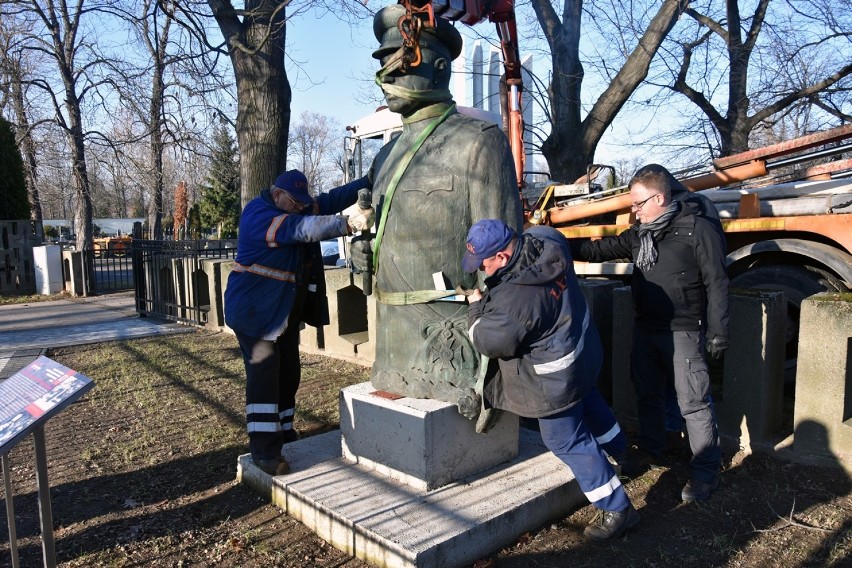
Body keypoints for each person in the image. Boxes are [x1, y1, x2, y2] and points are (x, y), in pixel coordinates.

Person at [351, 3, 523, 423]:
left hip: (450, 348)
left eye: (398, 64)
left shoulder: (478, 142)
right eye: (383, 66)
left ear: (439, 67)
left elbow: (504, 260)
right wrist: (366, 251)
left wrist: (493, 362)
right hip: (394, 345)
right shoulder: (386, 155)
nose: (387, 77)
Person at [462, 219, 640, 541]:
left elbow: (490, 341)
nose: (482, 271)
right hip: (582, 351)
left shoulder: (517, 299)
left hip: (553, 379)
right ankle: (623, 454)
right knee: (587, 399)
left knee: (564, 439)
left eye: (484, 264)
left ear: (502, 257)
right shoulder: (548, 240)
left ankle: (617, 508)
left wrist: (475, 309)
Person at [571, 165, 729, 502]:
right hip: (646, 327)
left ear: (659, 197)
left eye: (639, 203)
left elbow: (717, 281)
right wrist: (561, 245)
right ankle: (655, 447)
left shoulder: (696, 229)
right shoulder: (641, 233)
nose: (634, 210)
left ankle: (706, 471)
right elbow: (602, 250)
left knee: (694, 404)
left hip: (683, 330)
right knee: (648, 393)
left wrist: (719, 332)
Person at [225, 169, 373, 476]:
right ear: (278, 195)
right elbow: (300, 229)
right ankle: (265, 451)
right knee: (264, 380)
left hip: (281, 314)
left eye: (301, 202)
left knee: (289, 374)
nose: (299, 207)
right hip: (255, 315)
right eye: (294, 202)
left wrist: (366, 181)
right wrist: (347, 223)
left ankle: (285, 433)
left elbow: (329, 201)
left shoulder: (290, 205)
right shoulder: (260, 215)